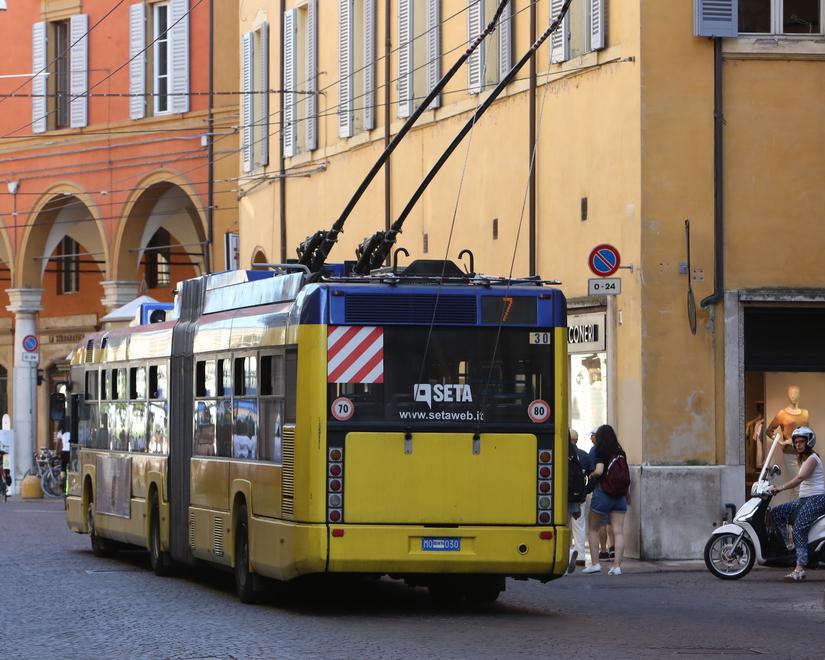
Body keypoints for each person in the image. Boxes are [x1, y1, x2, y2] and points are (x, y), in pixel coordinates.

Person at [767, 426, 825, 582]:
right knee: (777, 512)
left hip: (817, 499)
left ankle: (800, 568)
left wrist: (779, 488)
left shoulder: (812, 458)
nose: (798, 444)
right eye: (796, 442)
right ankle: (788, 547)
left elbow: (800, 478)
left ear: (809, 442)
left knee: (799, 528)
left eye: (801, 442)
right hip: (804, 499)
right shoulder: (803, 458)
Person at [583, 424, 630, 575]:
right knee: (618, 532)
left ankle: (595, 563)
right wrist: (627, 495)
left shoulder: (599, 450)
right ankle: (616, 566)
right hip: (620, 496)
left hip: (603, 494)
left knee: (593, 529)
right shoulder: (620, 452)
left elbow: (599, 471)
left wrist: (591, 476)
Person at [568, 429, 593, 570]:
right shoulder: (584, 455)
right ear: (576, 440)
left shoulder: (563, 453)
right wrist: (586, 490)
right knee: (579, 526)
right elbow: (592, 475)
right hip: (580, 497)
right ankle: (581, 557)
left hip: (564, 497)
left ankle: (565, 554)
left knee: (565, 526)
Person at [588, 426, 613, 561]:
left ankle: (603, 551)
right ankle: (613, 549)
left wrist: (591, 477)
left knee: (599, 524)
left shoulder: (596, 450)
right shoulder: (618, 450)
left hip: (602, 490)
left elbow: (596, 470)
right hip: (616, 491)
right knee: (615, 525)